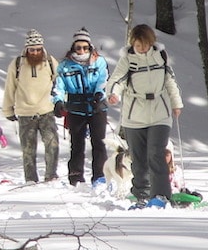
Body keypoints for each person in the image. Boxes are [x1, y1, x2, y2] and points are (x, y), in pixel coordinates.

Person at [105, 24, 182, 208]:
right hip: (135, 116)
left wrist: (176, 102)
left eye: (145, 45)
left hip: (159, 112)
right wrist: (113, 93)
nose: (142, 49)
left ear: (151, 42)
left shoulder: (161, 56)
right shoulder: (128, 59)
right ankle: (142, 195)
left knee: (156, 153)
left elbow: (170, 80)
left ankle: (161, 195)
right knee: (138, 157)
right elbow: (117, 80)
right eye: (138, 45)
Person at [53, 28, 110, 187]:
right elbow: (59, 86)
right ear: (73, 48)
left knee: (99, 143)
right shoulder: (65, 65)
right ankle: (76, 176)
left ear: (90, 47)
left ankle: (100, 176)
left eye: (85, 47)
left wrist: (99, 94)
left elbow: (104, 80)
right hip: (76, 107)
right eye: (78, 47)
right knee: (77, 144)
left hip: (96, 107)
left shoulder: (99, 61)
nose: (82, 50)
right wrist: (58, 101)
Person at [2, 29, 60, 183]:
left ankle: (51, 175)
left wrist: (61, 102)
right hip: (25, 112)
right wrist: (8, 109)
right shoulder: (17, 64)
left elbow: (60, 83)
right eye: (32, 49)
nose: (35, 52)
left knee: (52, 144)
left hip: (46, 110)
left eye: (38, 49)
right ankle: (30, 179)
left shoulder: (50, 61)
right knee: (28, 150)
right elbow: (10, 87)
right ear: (27, 49)